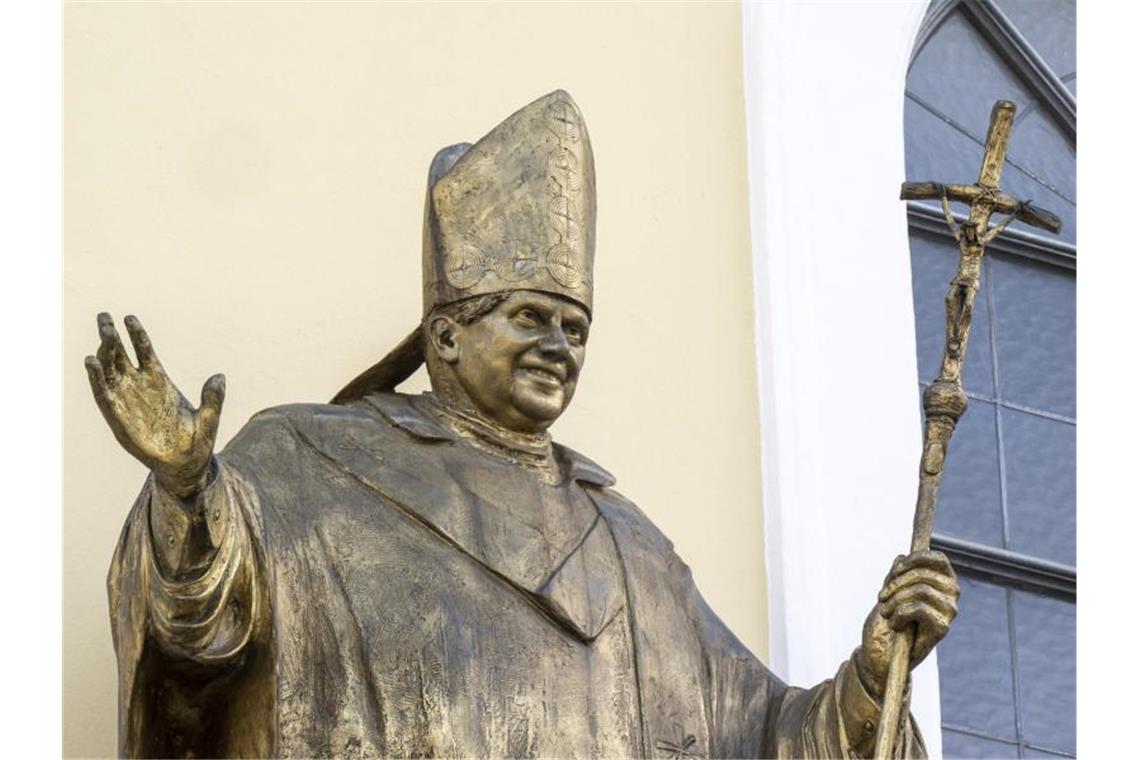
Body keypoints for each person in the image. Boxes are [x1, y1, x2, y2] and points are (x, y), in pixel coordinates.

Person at [87, 91, 957, 758]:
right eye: (529, 316)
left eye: (575, 328)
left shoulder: (634, 553)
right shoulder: (308, 463)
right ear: (447, 335)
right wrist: (186, 488)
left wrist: (873, 676)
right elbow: (196, 633)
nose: (557, 345)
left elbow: (764, 736)